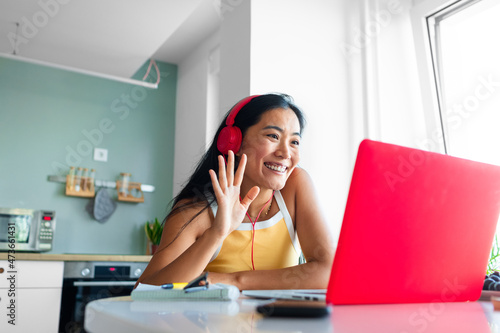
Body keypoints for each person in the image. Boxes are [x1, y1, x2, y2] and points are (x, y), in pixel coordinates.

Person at [136, 93, 334, 290]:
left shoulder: (296, 184)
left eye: (294, 142)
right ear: (235, 143)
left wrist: (233, 281)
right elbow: (145, 290)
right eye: (273, 136)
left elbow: (329, 272)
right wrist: (216, 233)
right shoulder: (196, 209)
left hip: (278, 320)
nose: (285, 153)